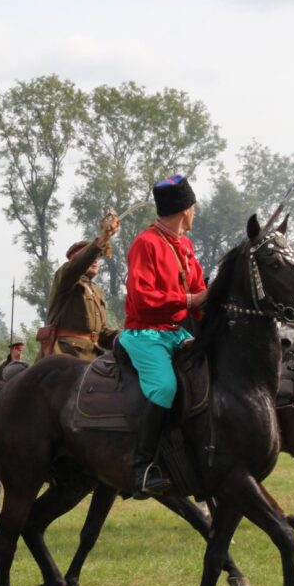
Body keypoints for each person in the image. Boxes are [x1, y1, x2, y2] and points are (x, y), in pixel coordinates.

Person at [120, 174, 208, 498]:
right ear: (186, 209)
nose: (195, 213)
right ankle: (141, 468)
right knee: (165, 386)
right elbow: (142, 296)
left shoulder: (184, 245)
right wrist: (189, 301)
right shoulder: (146, 243)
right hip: (144, 334)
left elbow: (198, 290)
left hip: (175, 333)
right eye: (194, 208)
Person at [43, 212, 121, 361]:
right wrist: (103, 239)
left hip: (93, 355)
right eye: (92, 257)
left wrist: (131, 336)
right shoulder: (64, 279)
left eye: (98, 257)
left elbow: (102, 335)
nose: (96, 260)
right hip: (66, 355)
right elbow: (75, 267)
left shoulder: (96, 290)